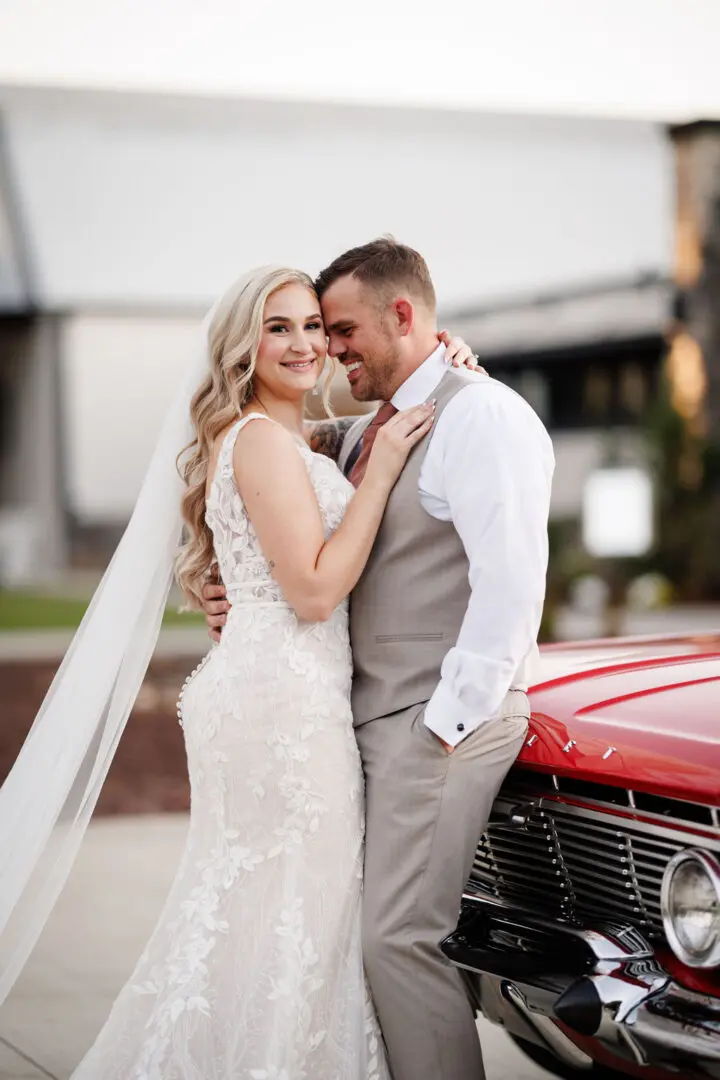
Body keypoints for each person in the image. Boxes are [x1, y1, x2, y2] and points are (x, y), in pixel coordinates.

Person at [0, 261, 478, 1077]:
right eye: (278, 327)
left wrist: (446, 358)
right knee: (295, 915)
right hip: (282, 704)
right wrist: (386, 472)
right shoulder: (259, 442)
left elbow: (335, 458)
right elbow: (317, 590)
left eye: (314, 328)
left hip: (274, 689)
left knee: (267, 915)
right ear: (241, 347)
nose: (303, 345)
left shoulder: (291, 437)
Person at [204, 239, 555, 1080]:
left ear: (405, 316)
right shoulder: (366, 428)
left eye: (341, 328)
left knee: (397, 939)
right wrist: (240, 597)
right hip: (362, 721)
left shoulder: (481, 414)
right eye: (316, 331)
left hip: (431, 721)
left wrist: (446, 724)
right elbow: (266, 465)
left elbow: (511, 580)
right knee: (367, 939)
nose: (328, 347)